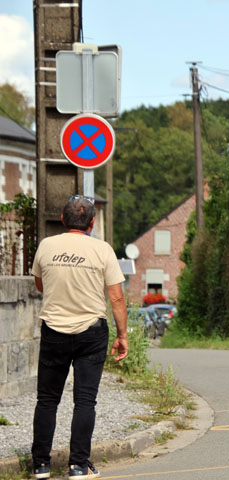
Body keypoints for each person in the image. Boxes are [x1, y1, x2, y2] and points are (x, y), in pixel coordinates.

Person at [30, 195, 128, 480]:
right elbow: (116, 298)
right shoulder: (103, 249)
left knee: (47, 399)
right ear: (92, 223)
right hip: (91, 332)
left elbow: (40, 283)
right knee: (85, 400)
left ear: (62, 220)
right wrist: (122, 336)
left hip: (54, 330)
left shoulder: (47, 246)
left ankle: (40, 465)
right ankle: (78, 466)